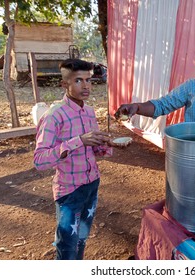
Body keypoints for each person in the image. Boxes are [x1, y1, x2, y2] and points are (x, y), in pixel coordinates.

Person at [33, 59, 114, 260]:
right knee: (67, 244)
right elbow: (40, 161)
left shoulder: (89, 111)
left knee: (81, 239)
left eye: (89, 80)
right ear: (64, 84)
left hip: (91, 184)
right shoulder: (54, 116)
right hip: (69, 190)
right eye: (78, 80)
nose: (86, 86)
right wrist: (77, 141)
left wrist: (106, 144)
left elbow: (93, 151)